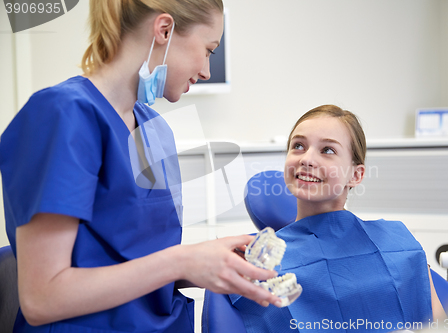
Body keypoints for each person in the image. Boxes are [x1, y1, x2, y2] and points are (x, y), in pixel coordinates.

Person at [0, 0, 281, 332]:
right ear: (164, 30)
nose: (206, 71)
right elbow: (41, 298)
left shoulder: (156, 129)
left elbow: (139, 266)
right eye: (209, 50)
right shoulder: (62, 115)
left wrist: (204, 265)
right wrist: (181, 260)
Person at [229, 105, 446, 332]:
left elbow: (440, 326)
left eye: (328, 150)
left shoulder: (398, 245)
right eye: (298, 146)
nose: (307, 159)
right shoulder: (257, 262)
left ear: (355, 175)